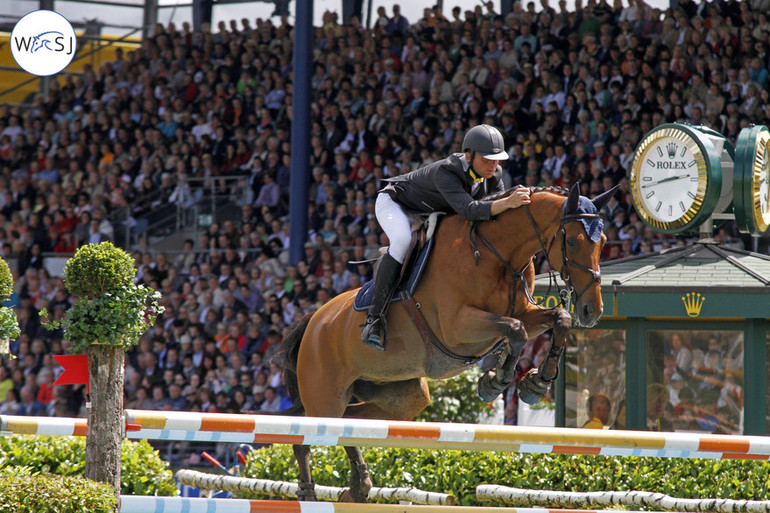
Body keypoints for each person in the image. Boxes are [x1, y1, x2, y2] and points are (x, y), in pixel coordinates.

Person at [360, 124, 531, 350]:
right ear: (469, 156)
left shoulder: (493, 174)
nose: (494, 165)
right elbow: (470, 210)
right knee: (401, 241)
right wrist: (507, 202)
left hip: (433, 211)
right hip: (397, 204)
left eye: (497, 160)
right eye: (487, 159)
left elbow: (494, 213)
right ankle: (374, 319)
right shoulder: (447, 171)